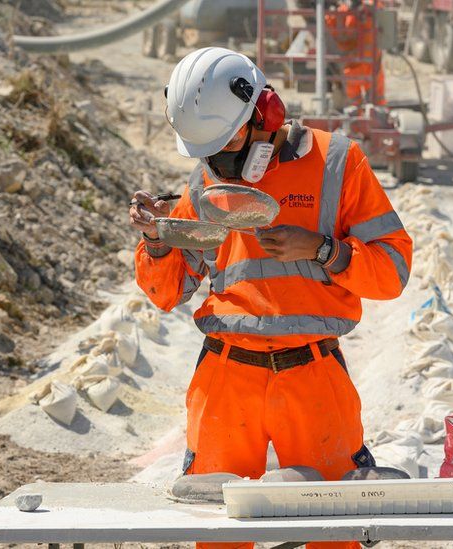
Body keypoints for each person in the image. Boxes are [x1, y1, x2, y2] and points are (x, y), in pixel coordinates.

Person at [128, 47, 412, 549]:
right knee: (216, 532)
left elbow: (392, 272)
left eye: (230, 142)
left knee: (336, 528)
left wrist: (324, 250)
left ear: (268, 113)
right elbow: (169, 291)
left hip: (313, 375)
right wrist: (157, 239)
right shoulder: (209, 178)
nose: (222, 161)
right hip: (225, 377)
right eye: (209, 151)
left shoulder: (337, 162)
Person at [327, 0, 385, 105]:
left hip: (364, 67)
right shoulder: (342, 12)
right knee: (359, 104)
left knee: (374, 102)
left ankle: (371, 115)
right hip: (360, 67)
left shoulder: (367, 7)